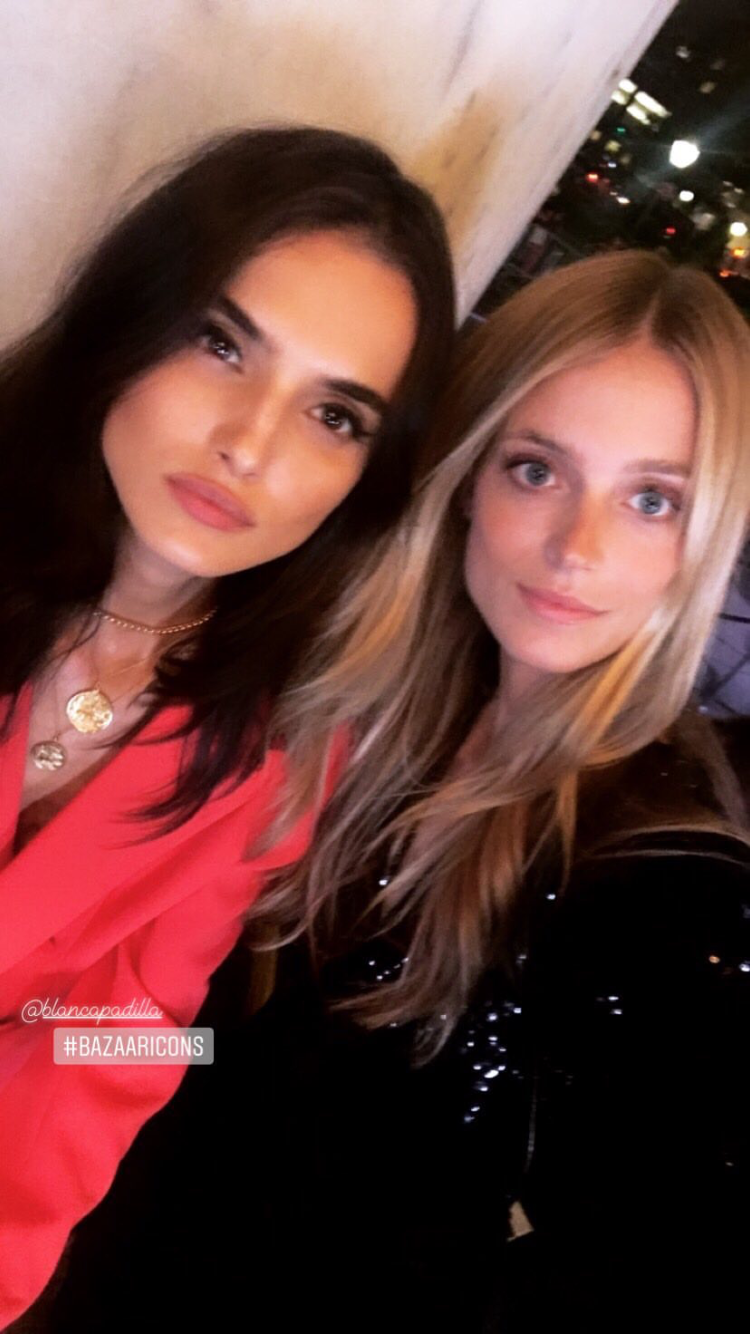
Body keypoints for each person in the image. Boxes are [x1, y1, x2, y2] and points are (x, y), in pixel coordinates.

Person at [47, 249, 749, 1333]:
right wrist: (48, 1034)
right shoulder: (379, 722)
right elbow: (220, 1048)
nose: (577, 547)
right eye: (536, 470)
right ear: (467, 478)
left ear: (706, 543)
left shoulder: (666, 880)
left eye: (653, 499)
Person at [0, 124, 455, 1327]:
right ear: (130, 315)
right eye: (221, 343)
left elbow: (122, 1043)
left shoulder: (272, 766)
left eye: (335, 415)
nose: (249, 443)